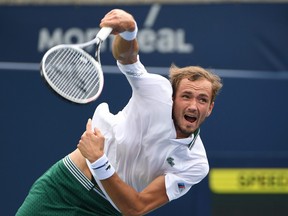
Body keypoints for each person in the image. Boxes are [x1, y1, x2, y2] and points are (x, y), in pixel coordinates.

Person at [16, 9, 223, 216]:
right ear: (172, 98)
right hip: (65, 187)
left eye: (202, 100)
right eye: (186, 96)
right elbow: (127, 57)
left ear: (210, 108)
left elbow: (136, 207)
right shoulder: (157, 92)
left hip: (108, 211)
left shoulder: (195, 162)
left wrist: (99, 160)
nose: (193, 106)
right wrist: (129, 32)